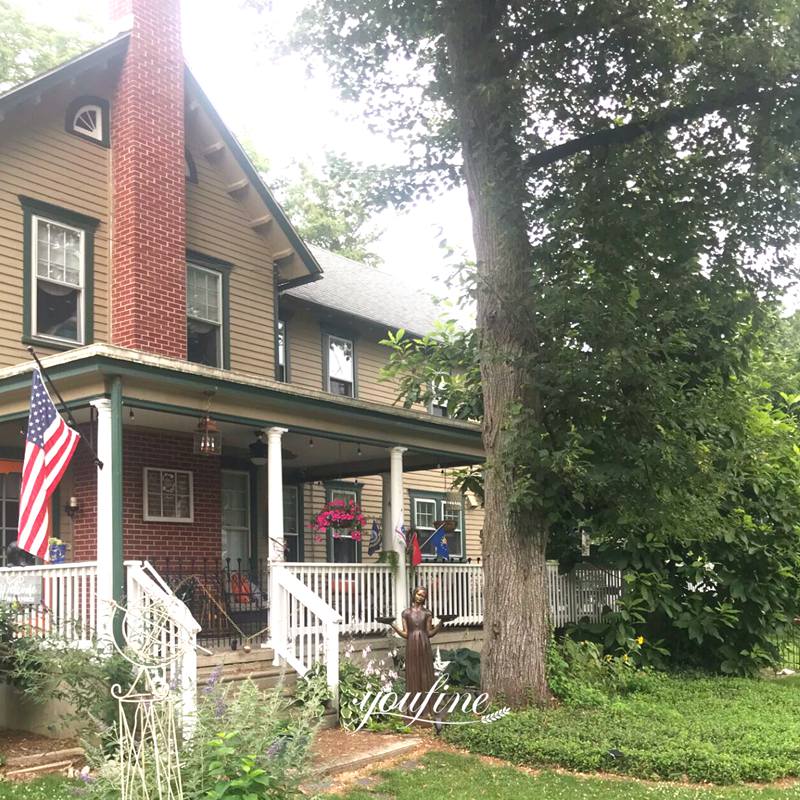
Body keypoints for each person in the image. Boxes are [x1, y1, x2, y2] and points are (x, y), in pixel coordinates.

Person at [391, 586, 441, 708]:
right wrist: (392, 625)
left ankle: (428, 706)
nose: (420, 597)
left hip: (424, 643)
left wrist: (441, 623)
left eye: (423, 595)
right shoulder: (406, 613)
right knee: (413, 671)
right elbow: (406, 634)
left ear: (425, 598)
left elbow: (430, 633)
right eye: (418, 594)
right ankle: (413, 706)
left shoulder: (427, 613)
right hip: (412, 643)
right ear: (414, 595)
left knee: (425, 671)